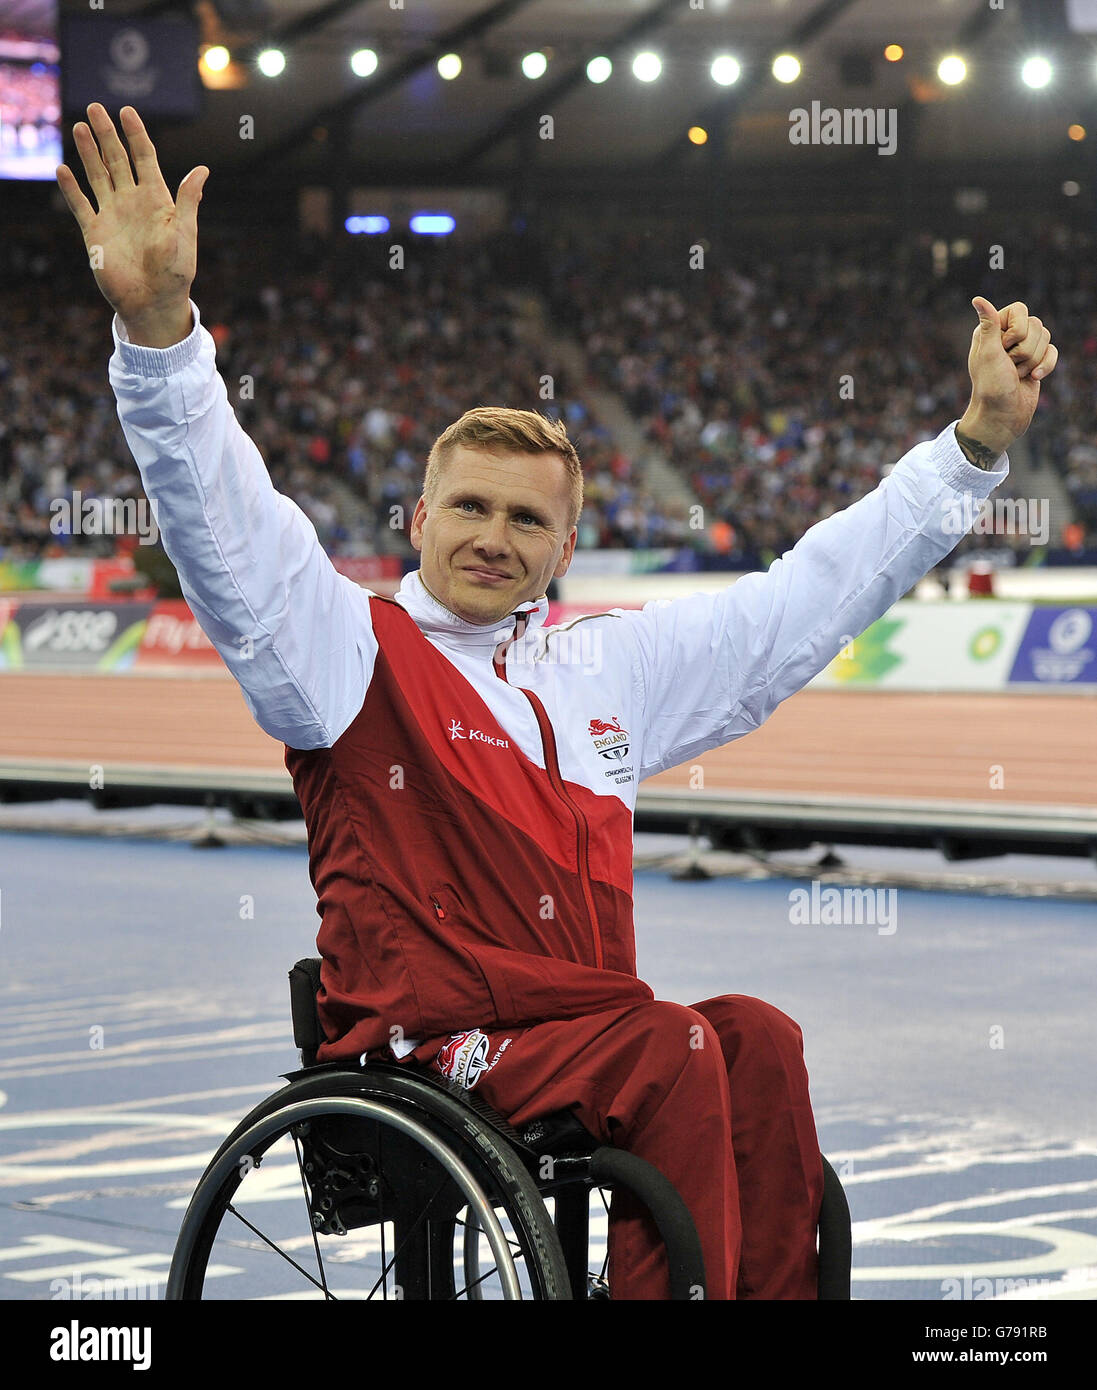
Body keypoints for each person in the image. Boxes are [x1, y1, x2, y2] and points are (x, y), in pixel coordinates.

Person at [57, 103, 1057, 1300]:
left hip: (581, 1030)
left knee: (755, 1037)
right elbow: (221, 524)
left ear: (565, 545)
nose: (493, 536)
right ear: (417, 521)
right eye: (468, 508)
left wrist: (971, 449)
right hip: (425, 1047)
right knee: (677, 1045)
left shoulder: (601, 670)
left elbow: (805, 602)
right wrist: (161, 332)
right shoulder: (338, 650)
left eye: (526, 518)